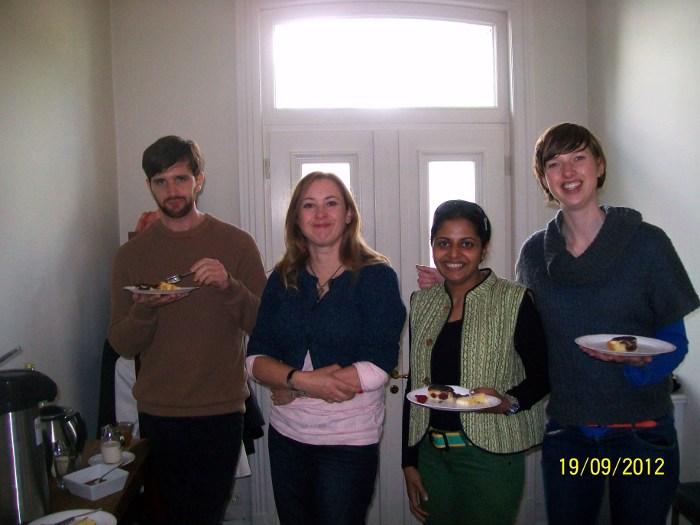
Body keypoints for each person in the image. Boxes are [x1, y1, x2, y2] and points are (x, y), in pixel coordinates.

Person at [515, 123, 699, 524]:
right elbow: (527, 339)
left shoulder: (647, 244)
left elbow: (675, 341)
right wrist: (458, 283)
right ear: (544, 178)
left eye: (579, 158)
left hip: (640, 435)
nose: (568, 172)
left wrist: (639, 366)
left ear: (599, 166)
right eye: (554, 163)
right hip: (570, 435)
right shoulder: (533, 255)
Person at [108, 135, 266, 525]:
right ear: (149, 186)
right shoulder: (131, 255)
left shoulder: (237, 243)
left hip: (221, 410)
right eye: (160, 181)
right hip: (158, 412)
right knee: (173, 516)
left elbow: (263, 327)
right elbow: (122, 343)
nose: (172, 190)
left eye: (181, 178)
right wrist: (145, 310)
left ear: (199, 180)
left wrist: (228, 286)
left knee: (206, 515)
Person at [245, 171, 406, 525]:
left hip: (349, 442)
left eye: (331, 203)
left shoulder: (377, 278)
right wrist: (302, 380)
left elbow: (378, 366)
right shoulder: (281, 278)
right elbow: (255, 359)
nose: (320, 214)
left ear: (348, 214)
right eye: (309, 205)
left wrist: (293, 388)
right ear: (296, 219)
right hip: (287, 437)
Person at [403, 200, 550, 525]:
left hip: (490, 458)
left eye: (466, 244)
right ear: (432, 246)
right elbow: (415, 385)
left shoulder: (514, 299)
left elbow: (543, 375)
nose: (453, 254)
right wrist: (408, 461)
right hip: (431, 455)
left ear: (483, 249)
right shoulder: (422, 302)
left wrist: (508, 402)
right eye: (444, 243)